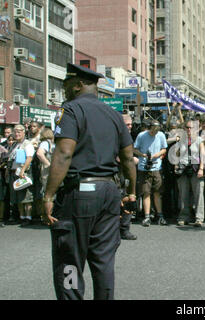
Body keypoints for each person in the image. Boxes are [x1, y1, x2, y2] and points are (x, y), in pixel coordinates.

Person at [42, 63, 137, 300]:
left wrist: (48, 195)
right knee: (104, 260)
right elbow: (127, 158)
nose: (63, 90)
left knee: (70, 260)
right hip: (109, 191)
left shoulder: (71, 110)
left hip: (81, 193)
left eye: (65, 85)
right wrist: (130, 192)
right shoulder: (114, 115)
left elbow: (64, 153)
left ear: (77, 85)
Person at [134, 120, 167, 226]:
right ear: (149, 128)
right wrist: (143, 155)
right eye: (153, 131)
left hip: (156, 167)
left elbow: (164, 149)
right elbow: (135, 149)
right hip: (144, 167)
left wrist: (157, 155)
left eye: (156, 131)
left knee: (157, 192)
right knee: (146, 192)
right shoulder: (141, 135)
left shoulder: (161, 135)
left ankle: (160, 215)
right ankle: (147, 216)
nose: (154, 133)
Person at [8, 125, 35, 227]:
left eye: (19, 132)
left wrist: (23, 170)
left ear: (24, 132)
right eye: (15, 132)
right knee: (17, 197)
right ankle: (21, 217)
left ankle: (28, 218)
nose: (17, 134)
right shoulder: (15, 144)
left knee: (26, 197)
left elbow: (29, 158)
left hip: (24, 173)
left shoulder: (27, 144)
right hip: (14, 172)